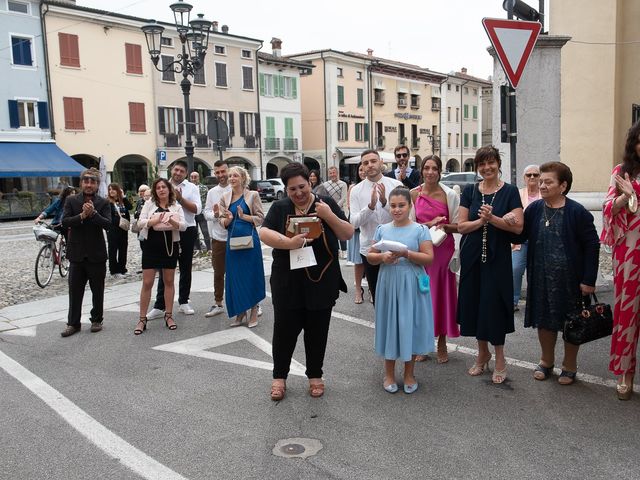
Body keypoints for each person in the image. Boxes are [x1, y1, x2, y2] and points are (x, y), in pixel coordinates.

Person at [259, 162, 353, 401]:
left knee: (317, 331)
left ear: (310, 182)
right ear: (286, 190)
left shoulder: (325, 204)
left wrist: (329, 216)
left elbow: (347, 233)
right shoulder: (280, 207)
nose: (298, 193)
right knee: (284, 332)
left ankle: (315, 375)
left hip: (322, 279)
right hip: (287, 281)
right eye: (292, 189)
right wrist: (289, 243)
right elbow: (263, 232)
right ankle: (279, 377)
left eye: (302, 186)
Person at [515, 162, 599, 385]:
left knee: (572, 322)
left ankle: (569, 365)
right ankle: (546, 361)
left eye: (547, 182)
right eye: (541, 181)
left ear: (563, 186)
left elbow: (592, 245)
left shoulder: (577, 212)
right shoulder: (533, 209)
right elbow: (520, 237)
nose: (541, 185)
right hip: (541, 277)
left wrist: (589, 280)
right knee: (544, 320)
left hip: (571, 281)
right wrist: (505, 223)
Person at [457, 146, 523, 384]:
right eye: (482, 164)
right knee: (475, 303)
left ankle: (500, 357)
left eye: (491, 163)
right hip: (473, 255)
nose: (487, 168)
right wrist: (481, 220)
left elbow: (517, 227)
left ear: (498, 164)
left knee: (494, 305)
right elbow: (461, 226)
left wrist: (493, 219)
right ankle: (482, 353)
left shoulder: (511, 191)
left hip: (498, 258)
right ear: (478, 167)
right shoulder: (470, 191)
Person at [367, 187, 434, 394]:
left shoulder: (420, 230)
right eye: (393, 206)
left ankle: (409, 373)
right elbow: (370, 255)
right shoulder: (382, 229)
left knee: (410, 325)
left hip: (411, 283)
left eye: (401, 205)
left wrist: (407, 253)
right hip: (389, 282)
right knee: (390, 325)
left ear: (409, 206)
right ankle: (388, 373)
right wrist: (381, 257)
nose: (396, 210)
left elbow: (429, 257)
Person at [601, 120, 640, 400]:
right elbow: (607, 209)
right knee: (627, 314)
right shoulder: (622, 172)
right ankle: (626, 373)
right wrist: (624, 197)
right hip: (630, 252)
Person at [411, 155, 460, 363]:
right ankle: (424, 342)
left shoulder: (450, 194)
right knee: (423, 296)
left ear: (440, 171)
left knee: (442, 296)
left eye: (434, 168)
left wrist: (444, 227)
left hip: (443, 251)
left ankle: (442, 342)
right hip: (423, 251)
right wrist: (430, 223)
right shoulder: (413, 194)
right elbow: (410, 225)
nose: (430, 172)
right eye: (426, 168)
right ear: (422, 170)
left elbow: (458, 225)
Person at [60, 168, 112, 337]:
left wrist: (94, 214)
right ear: (81, 183)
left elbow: (108, 225)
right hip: (76, 254)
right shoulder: (71, 200)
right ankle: (73, 323)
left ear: (97, 185)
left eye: (92, 182)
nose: (89, 184)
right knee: (74, 291)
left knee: (98, 290)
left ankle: (97, 319)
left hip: (96, 254)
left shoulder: (104, 203)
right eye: (86, 181)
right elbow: (65, 222)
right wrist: (82, 216)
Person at [147, 160, 201, 318]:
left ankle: (184, 301)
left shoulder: (192, 187)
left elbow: (197, 210)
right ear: (171, 169)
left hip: (187, 228)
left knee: (185, 266)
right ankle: (159, 305)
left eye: (182, 171)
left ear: (185, 174)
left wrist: (181, 199)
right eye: (176, 170)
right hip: (166, 230)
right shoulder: (162, 185)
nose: (178, 173)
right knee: (164, 266)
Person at [349, 149, 402, 303]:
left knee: (396, 295)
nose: (370, 165)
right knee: (377, 296)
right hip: (370, 250)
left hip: (395, 248)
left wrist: (385, 203)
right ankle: (382, 326)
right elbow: (354, 222)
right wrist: (371, 207)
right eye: (365, 163)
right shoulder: (356, 191)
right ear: (362, 167)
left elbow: (405, 217)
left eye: (373, 161)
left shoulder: (396, 184)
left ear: (380, 163)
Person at [134, 178, 186, 334]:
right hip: (151, 247)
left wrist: (173, 221)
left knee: (169, 281)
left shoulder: (176, 206)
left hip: (170, 247)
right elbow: (140, 222)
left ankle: (168, 315)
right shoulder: (149, 204)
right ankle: (142, 319)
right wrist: (153, 220)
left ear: (169, 189)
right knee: (147, 282)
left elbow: (183, 226)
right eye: (158, 188)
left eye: (164, 187)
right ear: (155, 191)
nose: (161, 190)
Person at [219, 166, 265, 328]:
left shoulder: (253, 195)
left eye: (235, 176)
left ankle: (253, 311)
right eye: (230, 175)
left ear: (243, 178)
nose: (231, 178)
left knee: (251, 275)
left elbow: (260, 218)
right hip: (232, 243)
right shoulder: (224, 197)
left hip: (250, 242)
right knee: (235, 277)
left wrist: (244, 216)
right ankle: (240, 312)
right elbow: (221, 222)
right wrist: (229, 218)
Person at [203, 160, 231, 317]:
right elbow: (206, 213)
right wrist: (214, 215)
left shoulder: (237, 188)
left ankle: (251, 303)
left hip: (236, 237)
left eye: (223, 171)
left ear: (228, 171)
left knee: (240, 271)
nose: (220, 175)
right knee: (218, 272)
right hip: (219, 238)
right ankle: (218, 303)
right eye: (217, 172)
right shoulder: (212, 192)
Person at [512, 165, 541, 311]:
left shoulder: (545, 193)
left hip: (539, 240)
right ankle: (513, 300)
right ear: (524, 178)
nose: (532, 178)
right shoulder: (518, 194)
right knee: (515, 268)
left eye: (535, 175)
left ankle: (535, 302)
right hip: (520, 239)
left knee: (536, 271)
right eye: (528, 175)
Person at [346, 162, 367, 303]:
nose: (363, 171)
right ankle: (358, 290)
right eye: (360, 169)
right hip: (358, 228)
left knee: (372, 262)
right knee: (358, 262)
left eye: (364, 168)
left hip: (371, 227)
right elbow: (350, 207)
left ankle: (372, 289)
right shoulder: (353, 188)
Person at [322, 166, 349, 258]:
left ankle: (344, 250)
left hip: (339, 210)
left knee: (341, 229)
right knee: (331, 231)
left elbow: (344, 197)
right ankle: (335, 250)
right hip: (328, 210)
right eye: (330, 173)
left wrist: (335, 207)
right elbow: (324, 197)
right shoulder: (325, 184)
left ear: (337, 173)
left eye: (334, 172)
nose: (332, 175)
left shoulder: (343, 184)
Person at [106, 183, 132, 278]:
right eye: (110, 189)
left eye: (113, 189)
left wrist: (123, 196)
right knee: (113, 249)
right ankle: (114, 270)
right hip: (113, 229)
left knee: (123, 248)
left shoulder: (122, 201)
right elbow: (108, 215)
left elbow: (130, 207)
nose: (111, 191)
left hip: (123, 228)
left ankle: (122, 268)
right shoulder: (108, 202)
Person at [190, 171, 211, 252]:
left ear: (198, 178)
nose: (193, 179)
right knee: (194, 233)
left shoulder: (204, 188)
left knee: (205, 231)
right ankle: (198, 249)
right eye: (192, 177)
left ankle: (209, 248)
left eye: (195, 177)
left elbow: (207, 200)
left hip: (201, 213)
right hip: (192, 213)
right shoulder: (188, 188)